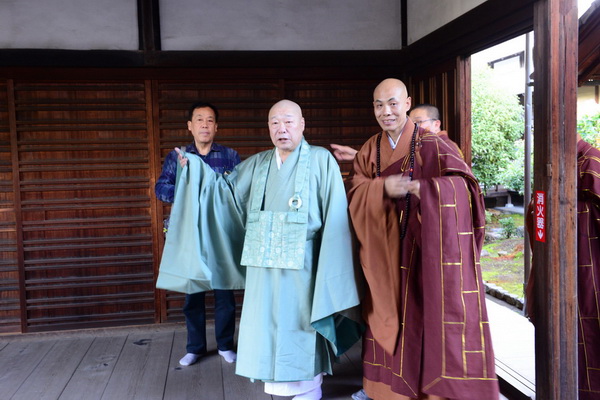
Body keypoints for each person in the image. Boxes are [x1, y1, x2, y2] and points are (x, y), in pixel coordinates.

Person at [157, 99, 362, 400]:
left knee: (300, 326)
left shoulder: (320, 159)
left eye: (289, 121)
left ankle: (308, 387)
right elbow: (222, 193)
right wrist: (195, 171)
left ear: (302, 124)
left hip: (303, 266)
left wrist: (331, 268)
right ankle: (278, 386)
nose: (282, 129)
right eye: (275, 123)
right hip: (263, 267)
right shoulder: (259, 162)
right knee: (266, 329)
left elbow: (335, 217)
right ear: (268, 127)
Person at [346, 78, 499, 400]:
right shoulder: (369, 148)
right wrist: (380, 189)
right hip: (382, 251)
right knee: (382, 316)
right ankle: (381, 388)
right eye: (378, 105)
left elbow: (467, 189)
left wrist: (427, 191)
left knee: (421, 318)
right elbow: (354, 190)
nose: (385, 111)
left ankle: (430, 390)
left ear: (406, 103)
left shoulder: (433, 144)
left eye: (392, 103)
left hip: (422, 251)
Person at [155, 101, 240, 366]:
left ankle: (226, 344)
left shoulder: (230, 156)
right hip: (189, 235)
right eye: (200, 120)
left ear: (216, 127)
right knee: (193, 295)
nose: (205, 124)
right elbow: (161, 189)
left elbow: (238, 192)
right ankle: (195, 347)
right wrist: (184, 183)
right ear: (190, 126)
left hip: (220, 233)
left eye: (210, 120)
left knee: (224, 292)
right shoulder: (177, 157)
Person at [525, 135, 600, 399]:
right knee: (555, 331)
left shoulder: (590, 160)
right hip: (556, 264)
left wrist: (568, 208)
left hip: (588, 265)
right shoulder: (553, 164)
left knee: (589, 327)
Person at [331, 103, 461, 163]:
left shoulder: (447, 147)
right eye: (412, 123)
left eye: (419, 122)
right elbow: (393, 165)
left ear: (436, 124)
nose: (415, 127)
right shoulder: (415, 144)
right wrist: (358, 156)